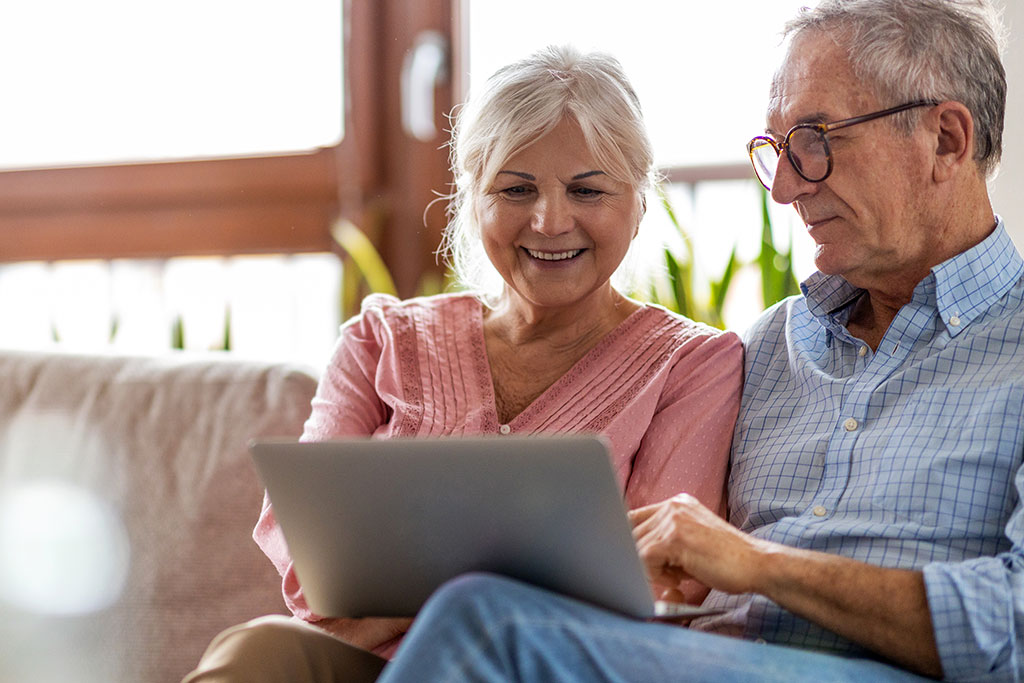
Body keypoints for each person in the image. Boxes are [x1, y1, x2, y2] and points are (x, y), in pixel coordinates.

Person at [370, 1, 1024, 681]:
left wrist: (759, 564)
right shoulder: (769, 346)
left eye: (815, 141)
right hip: (698, 657)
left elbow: (1017, 620)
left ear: (946, 139)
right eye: (776, 151)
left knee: (490, 623)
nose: (786, 188)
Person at [181, 45, 743, 682]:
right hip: (370, 667)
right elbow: (314, 570)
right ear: (472, 199)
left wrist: (403, 597)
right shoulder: (379, 339)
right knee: (260, 650)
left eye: (587, 190)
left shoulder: (693, 364)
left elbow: (655, 587)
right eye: (516, 189)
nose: (550, 220)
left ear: (640, 203)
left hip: (535, 668)